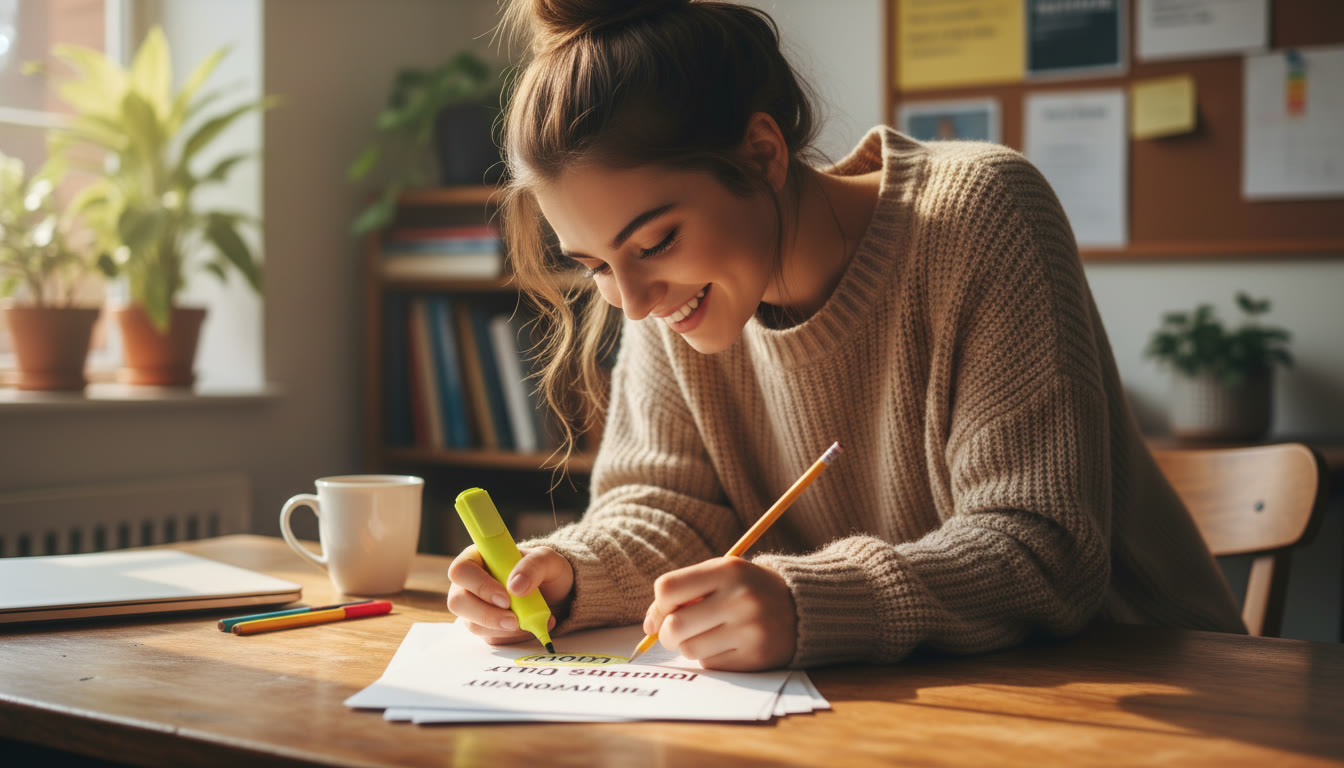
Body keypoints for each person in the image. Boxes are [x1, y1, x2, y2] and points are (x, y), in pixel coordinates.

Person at [446, 0, 1245, 672]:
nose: (634, 302)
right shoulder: (675, 298)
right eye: (594, 266)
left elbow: (1043, 549)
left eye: (654, 243)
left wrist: (806, 605)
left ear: (761, 155)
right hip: (906, 697)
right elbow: (669, 509)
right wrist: (570, 576)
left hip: (1141, 681)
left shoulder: (979, 217)